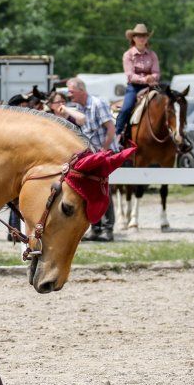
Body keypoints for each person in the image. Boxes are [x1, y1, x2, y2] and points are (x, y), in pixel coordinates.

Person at [67, 77, 117, 242]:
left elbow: (110, 129)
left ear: (81, 90)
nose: (69, 94)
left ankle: (108, 229)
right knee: (90, 190)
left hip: (103, 154)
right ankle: (96, 229)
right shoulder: (78, 108)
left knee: (104, 190)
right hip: (91, 156)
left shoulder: (97, 103)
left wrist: (103, 151)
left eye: (71, 91)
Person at [114, 23, 161, 143]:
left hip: (151, 87)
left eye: (144, 36)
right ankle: (117, 135)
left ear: (147, 38)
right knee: (126, 108)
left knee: (165, 104)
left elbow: (156, 72)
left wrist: (153, 77)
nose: (142, 38)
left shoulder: (152, 55)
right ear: (133, 38)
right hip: (134, 87)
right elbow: (130, 75)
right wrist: (146, 79)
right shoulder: (128, 55)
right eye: (139, 36)